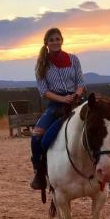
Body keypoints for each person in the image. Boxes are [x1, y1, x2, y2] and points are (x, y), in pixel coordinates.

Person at [30, 28, 86, 190]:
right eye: (52, 39)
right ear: (46, 43)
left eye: (58, 39)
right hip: (56, 105)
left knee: (102, 125)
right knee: (37, 137)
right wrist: (62, 99)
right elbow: (44, 91)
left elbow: (81, 82)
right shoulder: (41, 64)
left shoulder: (73, 59)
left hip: (76, 101)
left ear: (62, 40)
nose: (55, 42)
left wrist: (76, 94)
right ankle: (39, 172)